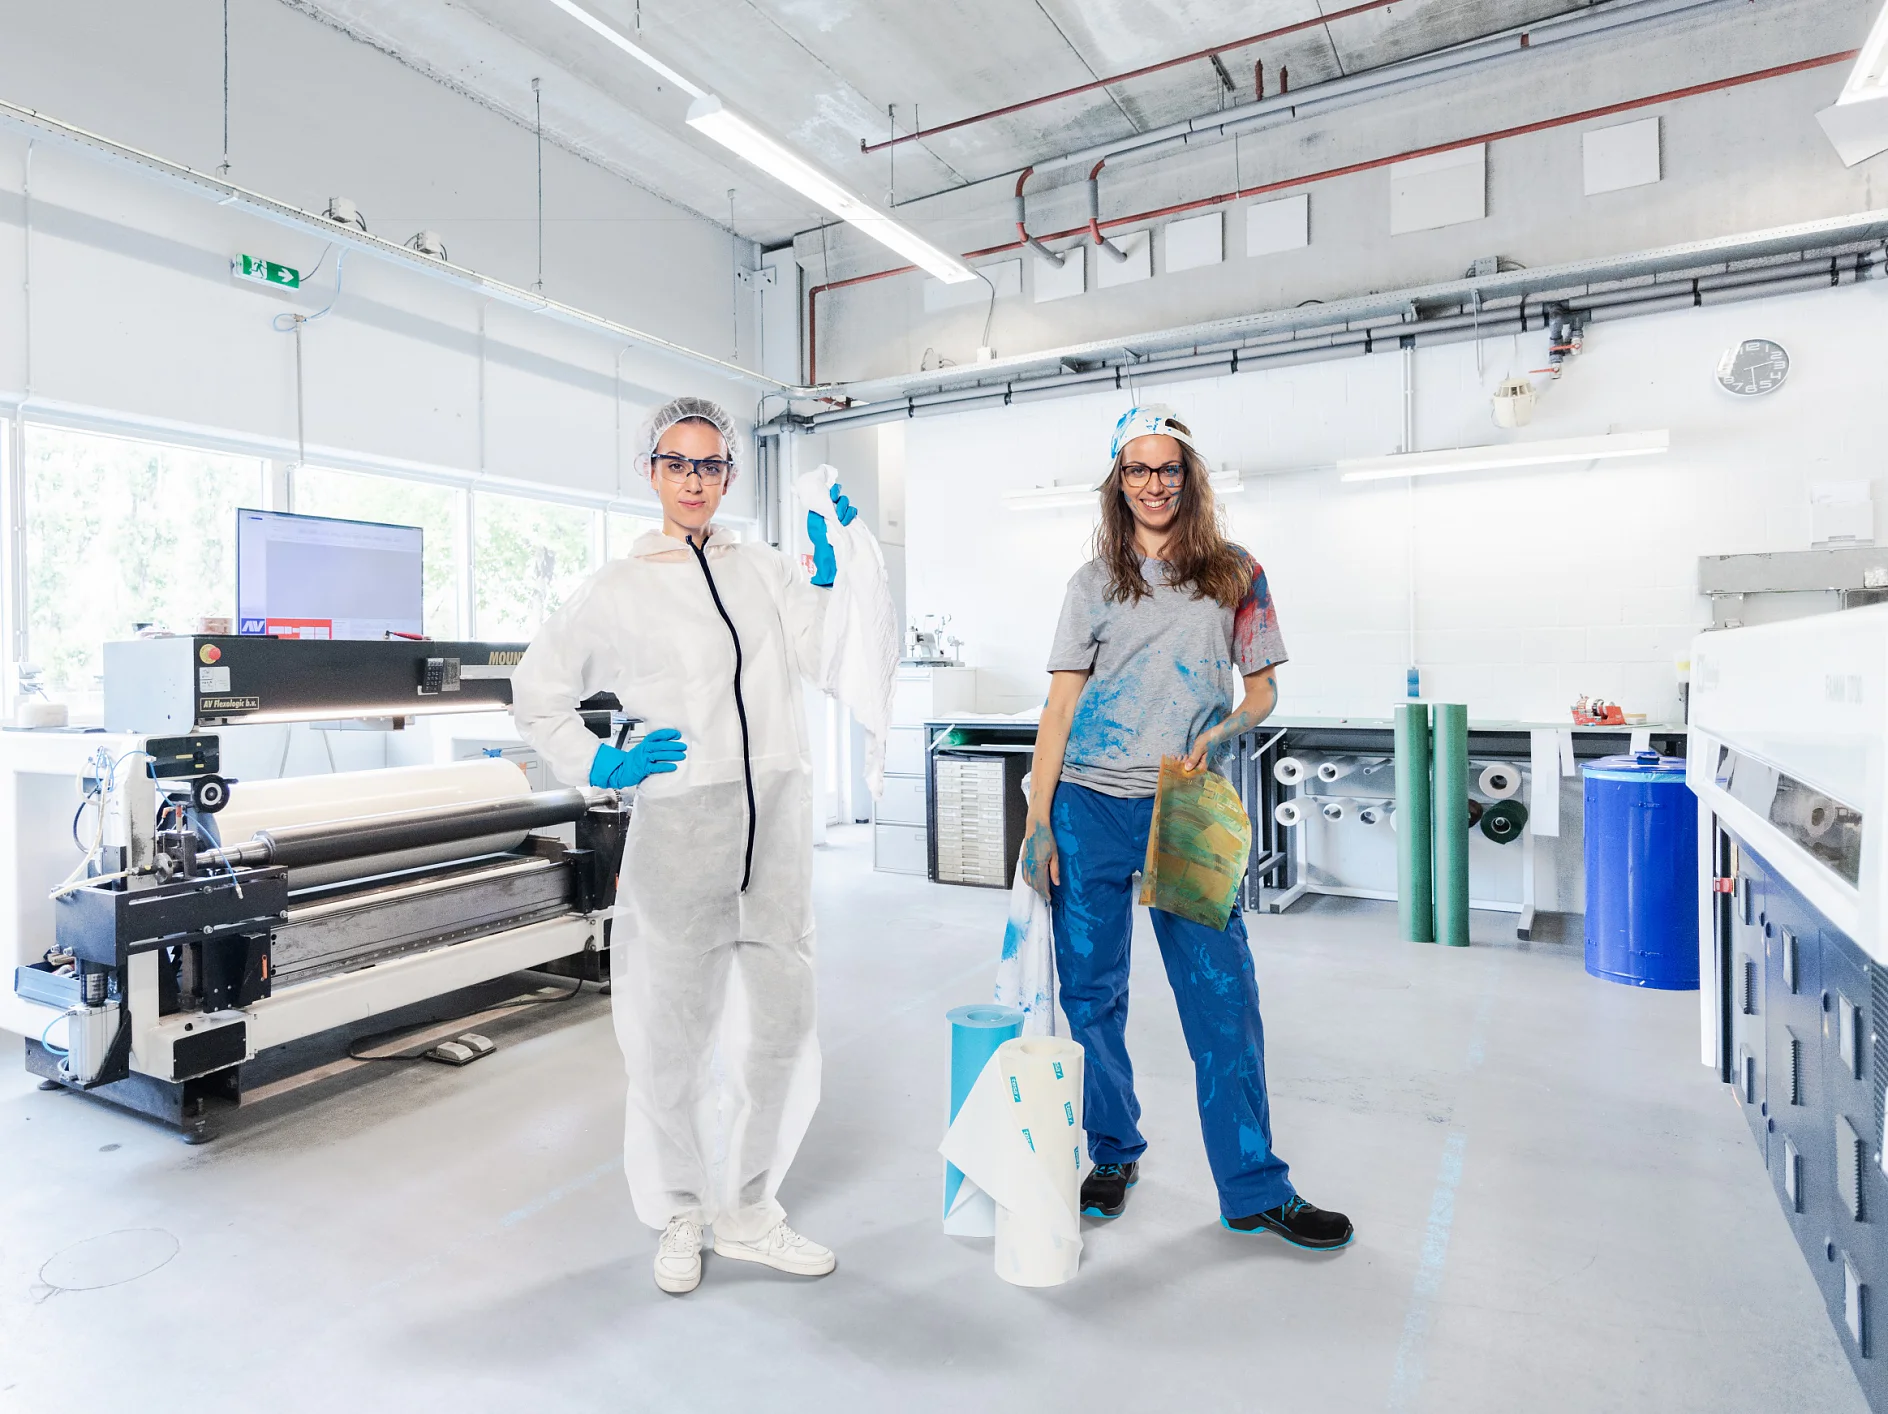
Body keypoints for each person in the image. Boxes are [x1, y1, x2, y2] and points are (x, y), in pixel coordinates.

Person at [511, 395, 874, 1295]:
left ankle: (748, 1208)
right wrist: (601, 757)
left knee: (779, 1027)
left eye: (709, 466)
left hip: (777, 823)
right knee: (670, 1035)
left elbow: (832, 660)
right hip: (682, 828)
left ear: (729, 477)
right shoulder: (618, 587)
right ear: (651, 474)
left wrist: (836, 582)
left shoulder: (762, 571)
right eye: (677, 464)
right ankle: (679, 1209)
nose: (693, 481)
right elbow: (537, 692)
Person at [1020, 404, 1353, 1251]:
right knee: (1091, 997)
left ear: (1190, 477)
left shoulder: (1237, 573)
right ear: (1118, 481)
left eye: (1169, 469)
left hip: (1186, 805)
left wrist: (1225, 728)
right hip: (1089, 804)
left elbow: (1264, 690)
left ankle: (1252, 1187)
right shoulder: (1092, 583)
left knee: (1223, 1000)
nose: (1154, 484)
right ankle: (1113, 1150)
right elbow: (1059, 707)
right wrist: (1038, 821)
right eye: (1138, 470)